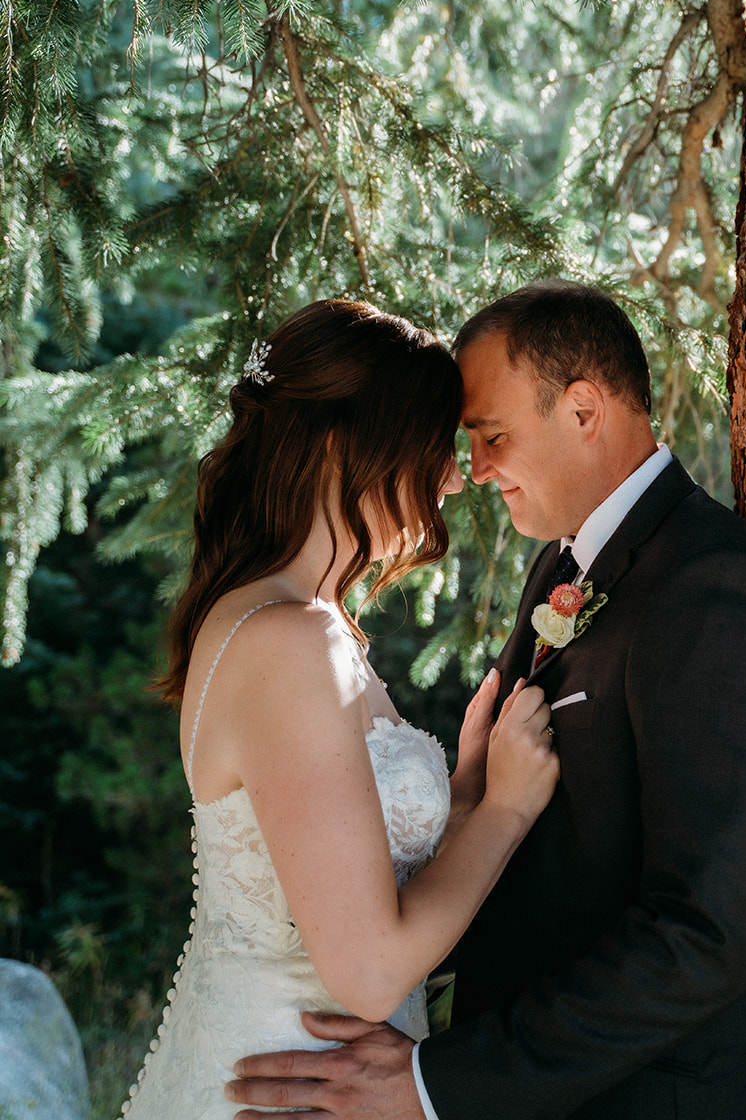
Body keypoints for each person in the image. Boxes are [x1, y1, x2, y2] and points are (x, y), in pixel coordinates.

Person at [226, 280, 746, 1120]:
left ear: (583, 410)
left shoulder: (710, 590)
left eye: (493, 435)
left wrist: (440, 1083)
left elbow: (703, 938)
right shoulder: (560, 570)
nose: (474, 471)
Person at [119, 298, 558, 1120]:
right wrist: (503, 810)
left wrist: (460, 793)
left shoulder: (300, 621)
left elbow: (351, 877)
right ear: (339, 444)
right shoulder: (288, 641)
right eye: (432, 446)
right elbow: (367, 970)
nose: (456, 475)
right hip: (287, 1086)